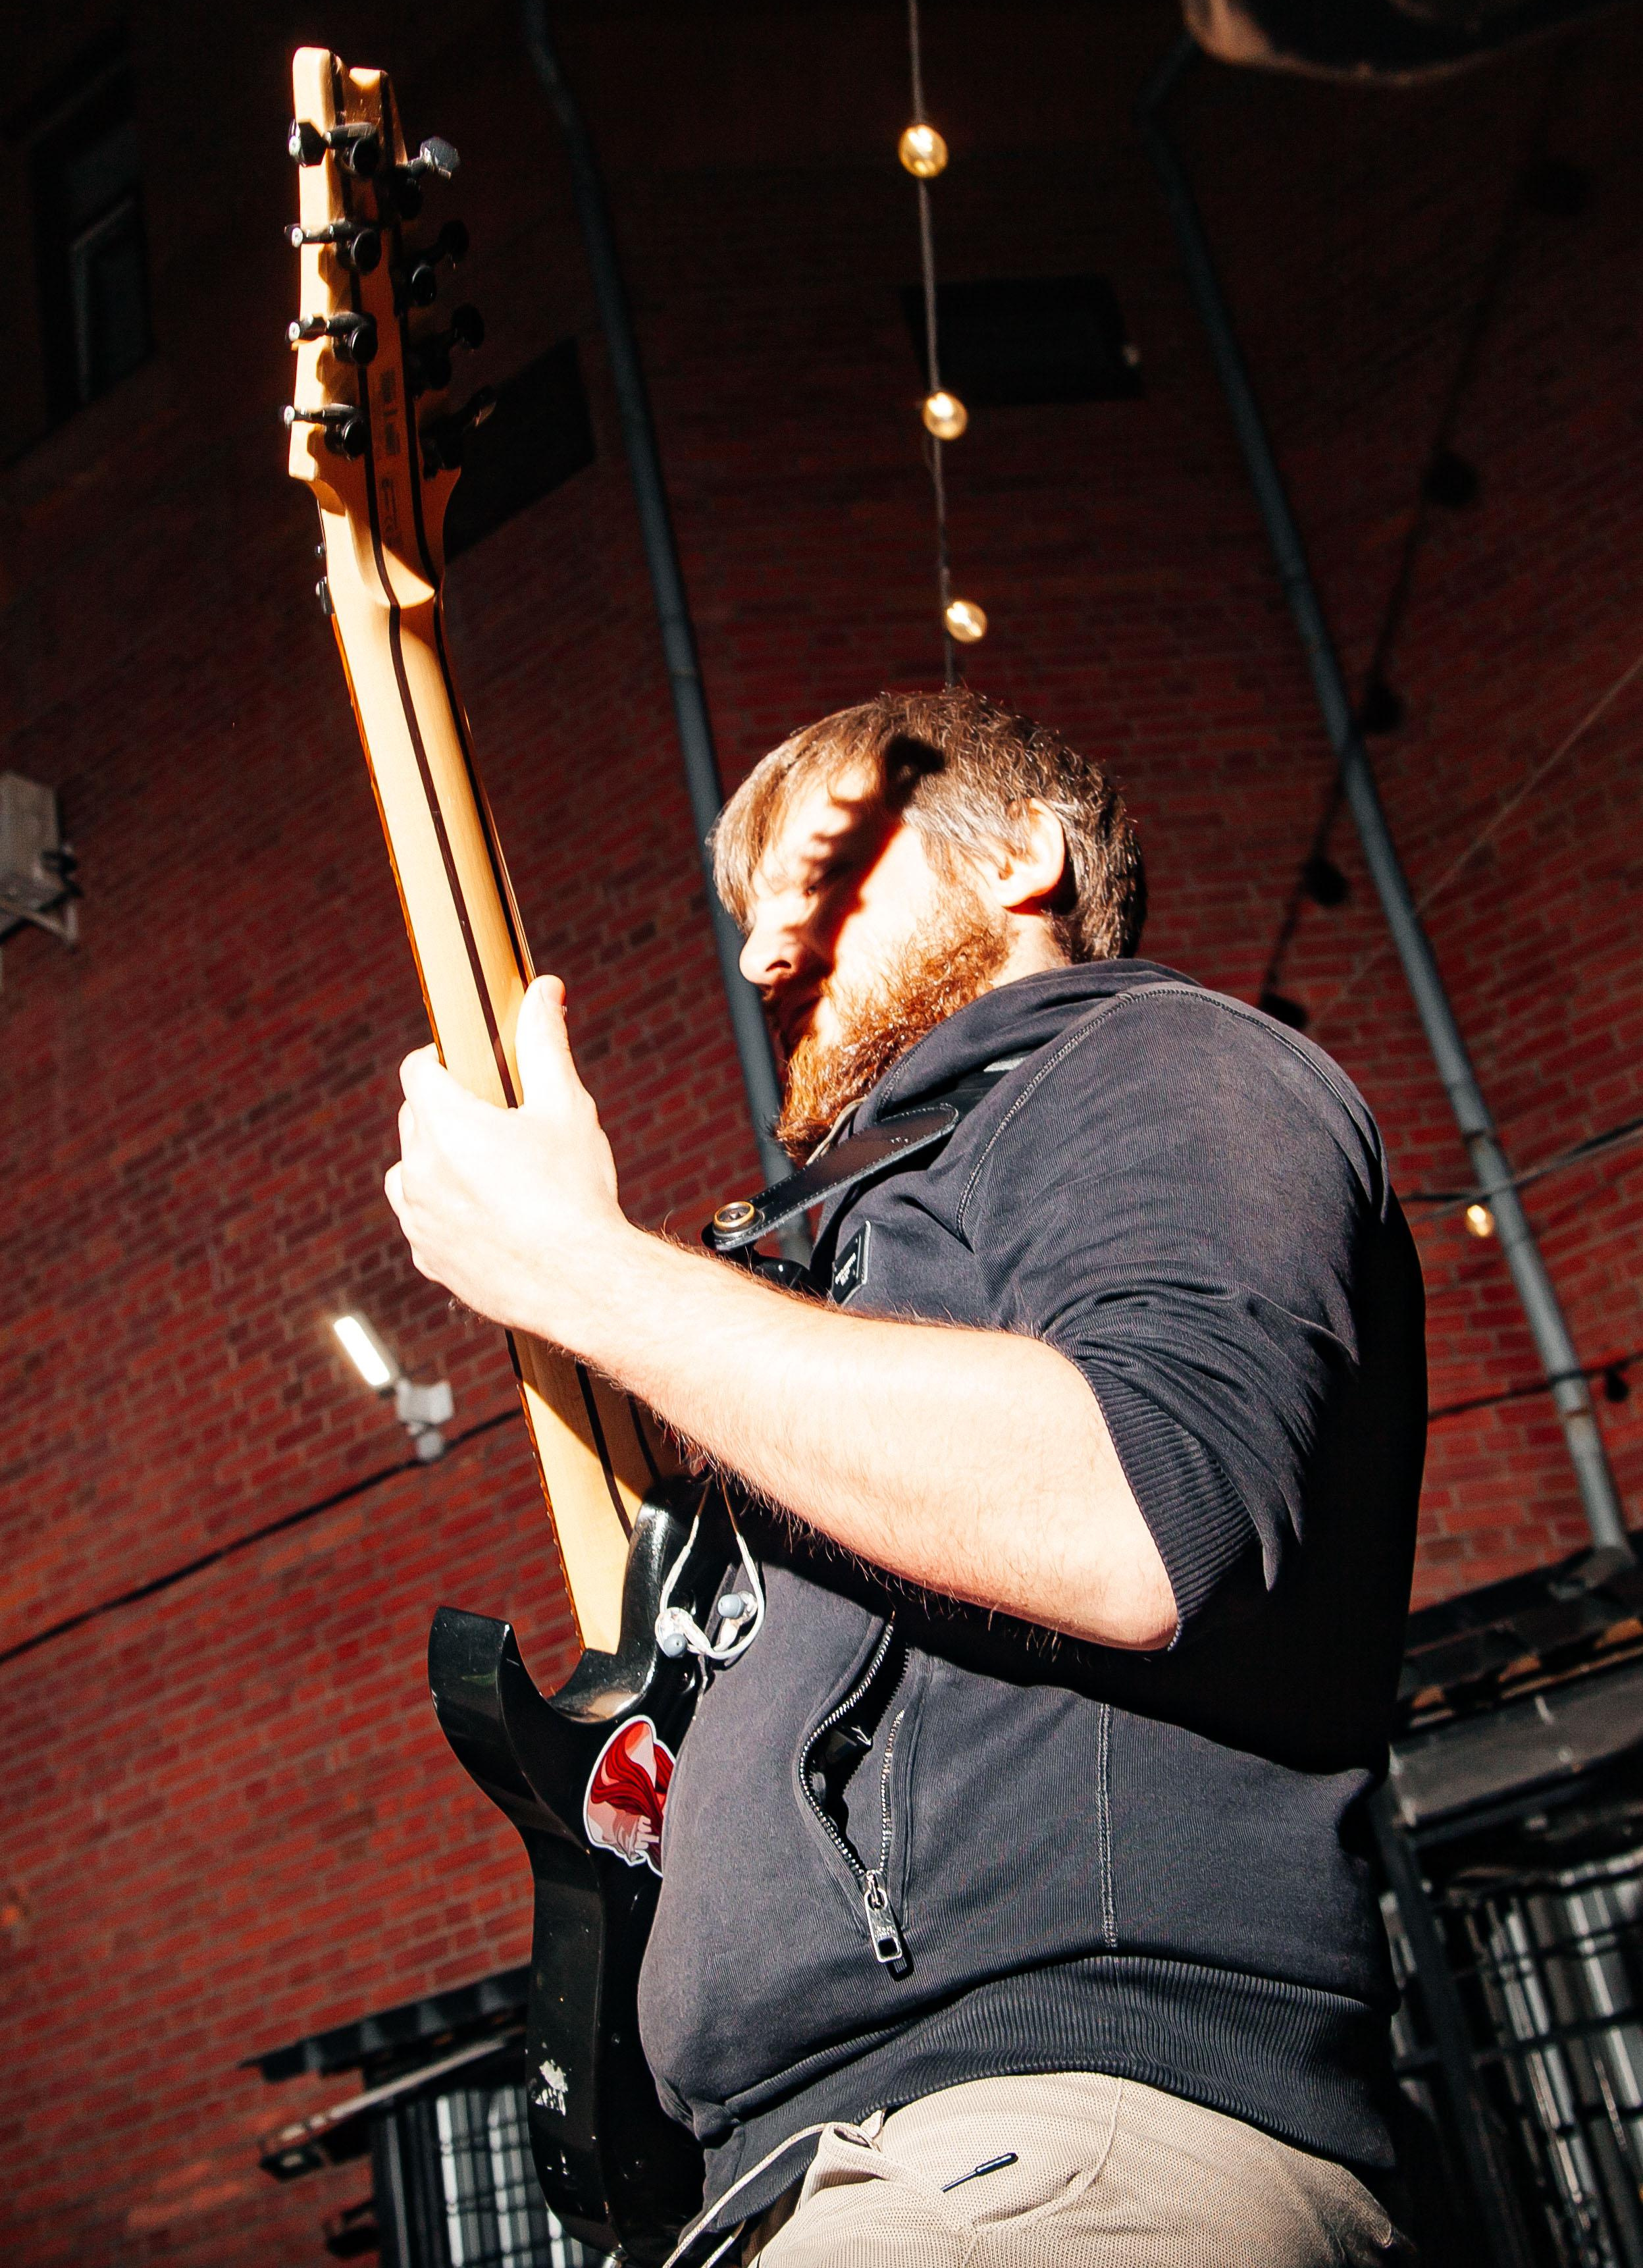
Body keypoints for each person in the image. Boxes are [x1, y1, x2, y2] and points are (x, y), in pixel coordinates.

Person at [386, 689, 1425, 2266]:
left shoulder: (1155, 1062)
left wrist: (583, 1275)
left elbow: (1138, 1511)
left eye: (816, 878)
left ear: (1022, 857)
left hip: (1049, 2146)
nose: (761, 956)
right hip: (826, 2176)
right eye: (745, 917)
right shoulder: (861, 1266)